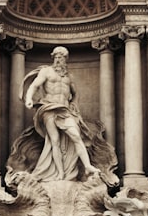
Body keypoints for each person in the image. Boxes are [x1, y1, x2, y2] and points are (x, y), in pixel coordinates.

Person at [23, 47, 100, 181]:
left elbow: (75, 94)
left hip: (64, 110)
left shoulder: (69, 77)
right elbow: (34, 86)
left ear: (66, 59)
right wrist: (29, 98)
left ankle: (87, 166)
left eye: (62, 57)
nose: (58, 60)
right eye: (56, 57)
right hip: (49, 108)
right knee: (55, 141)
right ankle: (60, 173)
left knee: (76, 135)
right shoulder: (46, 71)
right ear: (53, 58)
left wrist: (74, 104)